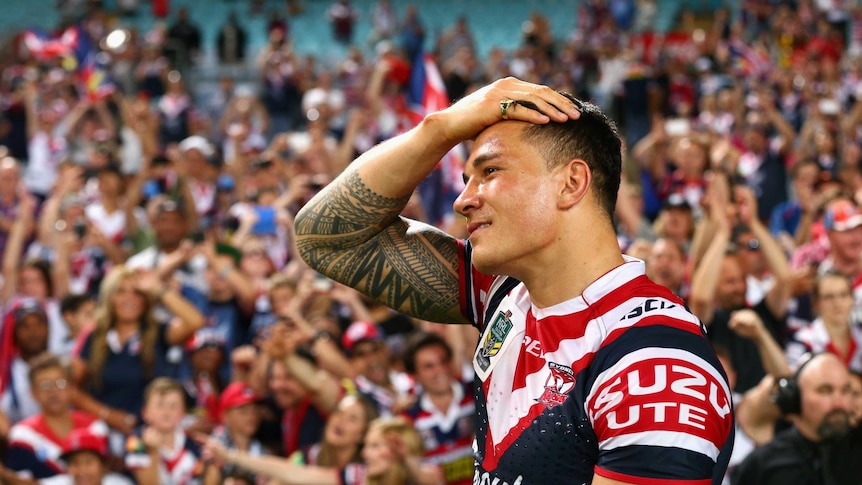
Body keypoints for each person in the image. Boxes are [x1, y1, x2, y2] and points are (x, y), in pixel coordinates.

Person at [294, 78, 734, 484]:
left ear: (571, 183)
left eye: (489, 172)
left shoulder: (655, 367)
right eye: (467, 178)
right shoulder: (503, 291)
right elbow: (324, 238)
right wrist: (442, 127)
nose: (464, 199)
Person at [198, 415, 443, 485]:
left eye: (376, 447)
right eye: (367, 446)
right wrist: (231, 456)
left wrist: (408, 460)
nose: (366, 454)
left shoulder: (422, 476)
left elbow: (428, 478)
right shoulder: (358, 475)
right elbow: (296, 474)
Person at [731, 352, 854, 484]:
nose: (839, 403)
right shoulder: (762, 464)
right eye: (825, 390)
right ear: (795, 398)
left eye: (846, 391)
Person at [4, 353, 108, 481]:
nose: (53, 391)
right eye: (45, 385)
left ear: (71, 388)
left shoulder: (95, 428)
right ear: (33, 393)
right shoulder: (22, 436)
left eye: (60, 383)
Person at [124, 378, 203, 485]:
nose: (166, 412)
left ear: (183, 413)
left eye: (173, 406)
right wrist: (154, 452)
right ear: (145, 412)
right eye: (160, 405)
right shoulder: (136, 442)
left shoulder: (194, 440)